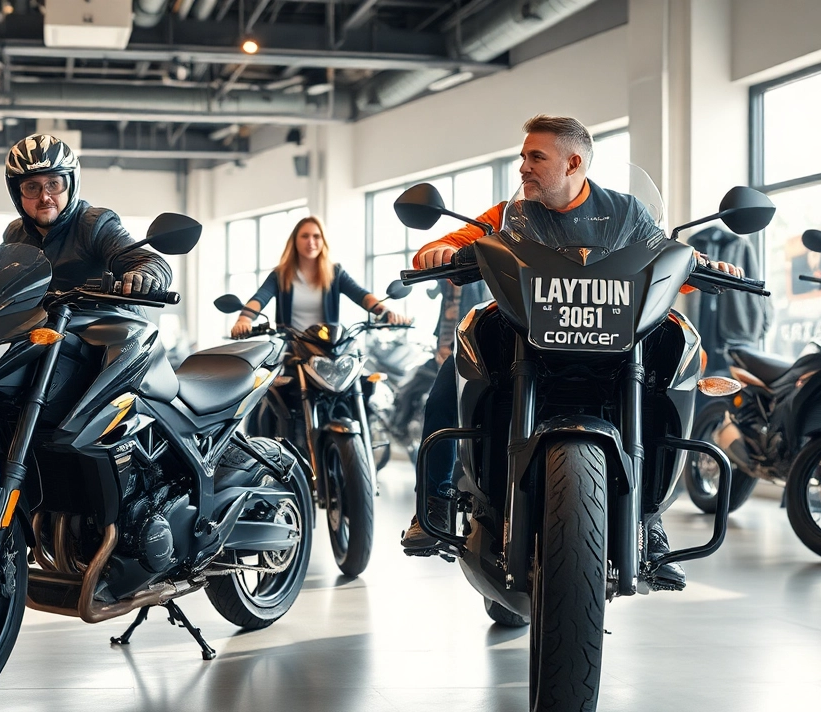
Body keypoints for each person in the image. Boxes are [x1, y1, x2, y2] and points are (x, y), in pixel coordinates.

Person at [399, 114, 743, 592]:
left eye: (536, 157)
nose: (524, 166)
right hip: (525, 330)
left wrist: (704, 265)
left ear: (574, 163)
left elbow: (663, 255)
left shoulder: (627, 212)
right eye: (523, 156)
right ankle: (434, 503)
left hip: (614, 339)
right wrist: (435, 251)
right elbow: (450, 243)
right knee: (457, 366)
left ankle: (649, 519)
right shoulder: (510, 213)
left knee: (672, 359)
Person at [0, 133, 173, 405]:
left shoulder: (94, 225)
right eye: (32, 187)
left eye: (53, 184)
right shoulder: (17, 233)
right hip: (50, 344)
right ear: (17, 193)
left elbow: (146, 260)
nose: (45, 197)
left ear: (70, 184)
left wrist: (145, 276)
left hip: (107, 347)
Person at [229, 215, 409, 338]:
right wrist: (244, 320)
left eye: (316, 236)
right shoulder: (280, 274)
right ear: (295, 240)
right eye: (305, 236)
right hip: (290, 350)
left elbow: (362, 296)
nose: (311, 242)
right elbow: (259, 299)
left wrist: (385, 312)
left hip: (327, 347)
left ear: (323, 241)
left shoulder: (335, 273)